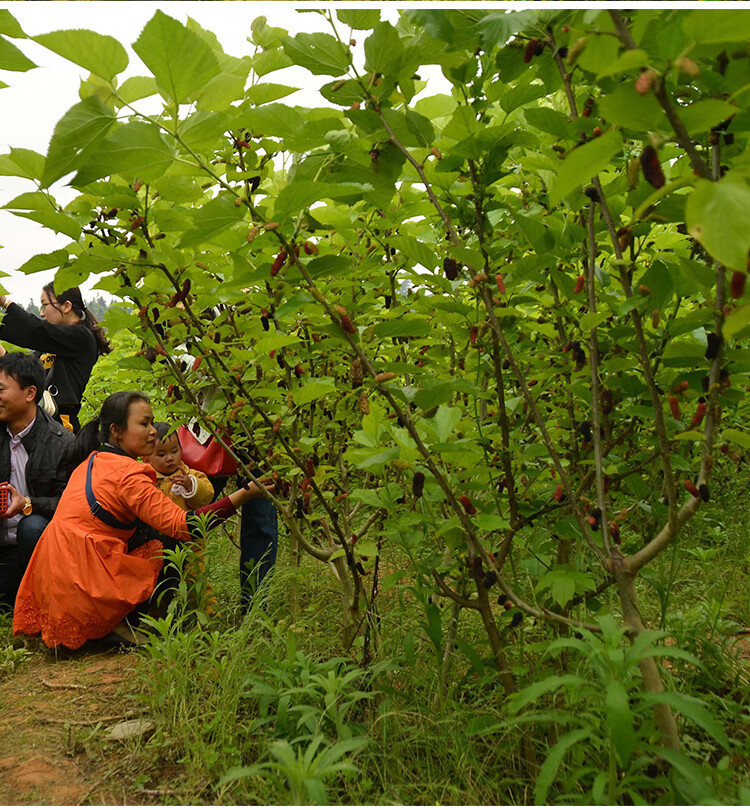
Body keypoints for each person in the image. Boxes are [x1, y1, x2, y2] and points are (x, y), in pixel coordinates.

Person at [13, 391, 272, 649]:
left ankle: (115, 619)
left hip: (54, 585)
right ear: (117, 431)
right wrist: (244, 494)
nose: (153, 432)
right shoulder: (128, 475)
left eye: (152, 423)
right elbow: (186, 525)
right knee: (170, 539)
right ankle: (125, 622)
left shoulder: (93, 460)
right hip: (87, 584)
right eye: (144, 424)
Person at [0, 352, 73, 609]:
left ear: (30, 393)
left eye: (1, 389)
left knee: (31, 526)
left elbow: (70, 505)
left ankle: (44, 600)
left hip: (37, 547)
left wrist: (28, 503)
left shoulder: (61, 443)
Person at [0, 284, 112, 433]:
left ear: (66, 306)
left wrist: (5, 303)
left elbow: (35, 330)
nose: (42, 313)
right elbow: (22, 370)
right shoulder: (50, 346)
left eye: (45, 305)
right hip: (40, 423)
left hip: (60, 426)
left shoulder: (82, 338)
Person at [143, 422, 216, 612]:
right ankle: (159, 615)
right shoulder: (145, 480)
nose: (169, 458)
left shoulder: (190, 475)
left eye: (174, 451)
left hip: (191, 542)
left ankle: (209, 615)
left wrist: (191, 486)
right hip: (158, 543)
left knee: (197, 578)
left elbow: (207, 494)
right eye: (161, 454)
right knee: (158, 582)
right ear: (146, 457)